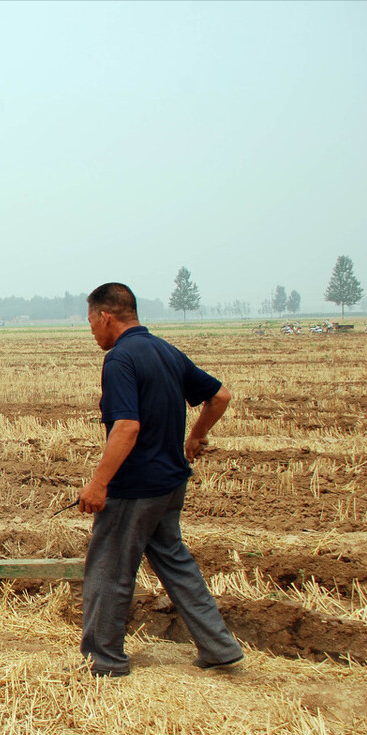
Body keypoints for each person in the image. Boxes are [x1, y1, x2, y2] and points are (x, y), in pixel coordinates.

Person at [77, 282, 242, 677]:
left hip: (136, 488)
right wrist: (196, 435)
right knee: (175, 562)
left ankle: (104, 659)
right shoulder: (165, 351)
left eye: (91, 323)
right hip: (171, 484)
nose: (92, 332)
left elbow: (127, 428)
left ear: (106, 316)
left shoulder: (120, 360)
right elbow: (220, 396)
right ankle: (219, 647)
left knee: (109, 568)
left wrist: (99, 484)